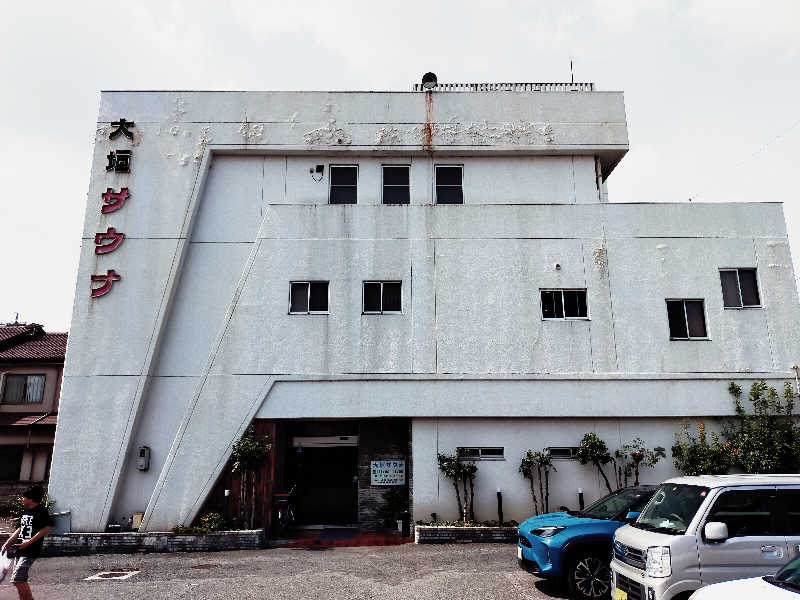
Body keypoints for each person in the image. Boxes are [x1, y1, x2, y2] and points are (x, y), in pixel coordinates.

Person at [1, 486, 53, 600]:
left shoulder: (41, 511)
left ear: (30, 498)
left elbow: (46, 528)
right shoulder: (26, 511)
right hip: (20, 549)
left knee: (18, 578)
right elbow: (20, 529)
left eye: (23, 497)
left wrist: (29, 542)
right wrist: (8, 543)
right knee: (19, 580)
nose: (21, 499)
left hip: (31, 550)